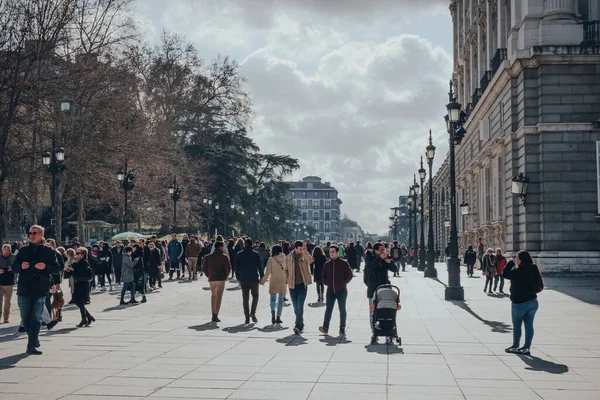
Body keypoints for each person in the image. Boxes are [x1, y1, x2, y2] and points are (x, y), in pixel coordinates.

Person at [11, 225, 60, 354]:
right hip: (24, 288)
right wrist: (21, 266)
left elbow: (57, 268)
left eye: (34, 233)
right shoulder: (23, 250)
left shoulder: (49, 251)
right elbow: (14, 267)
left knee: (36, 317)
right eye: (30, 233)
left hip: (40, 288)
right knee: (25, 317)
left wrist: (45, 266)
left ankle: (31, 345)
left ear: (41, 234)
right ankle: (34, 339)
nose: (31, 235)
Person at [503, 251, 543, 356]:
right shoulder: (535, 269)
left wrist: (510, 263)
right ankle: (526, 347)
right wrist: (531, 292)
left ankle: (515, 346)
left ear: (520, 259)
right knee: (529, 325)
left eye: (517, 258)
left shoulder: (518, 271)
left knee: (517, 326)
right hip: (533, 301)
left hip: (519, 302)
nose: (516, 259)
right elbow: (540, 286)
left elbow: (505, 274)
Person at [364, 242, 397, 343]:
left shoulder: (385, 257)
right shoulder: (369, 256)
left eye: (384, 249)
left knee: (387, 310)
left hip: (385, 287)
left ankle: (388, 332)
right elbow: (370, 266)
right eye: (381, 250)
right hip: (373, 288)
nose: (384, 252)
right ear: (376, 251)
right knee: (373, 312)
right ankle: (375, 332)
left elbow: (395, 269)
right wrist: (380, 258)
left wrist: (388, 261)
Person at [319, 245, 353, 336]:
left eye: (333, 252)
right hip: (330, 290)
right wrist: (327, 283)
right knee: (328, 309)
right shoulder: (327, 264)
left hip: (341, 290)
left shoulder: (344, 263)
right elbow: (323, 276)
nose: (331, 253)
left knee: (342, 309)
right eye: (330, 252)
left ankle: (342, 327)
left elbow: (349, 275)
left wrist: (343, 283)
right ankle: (325, 327)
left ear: (337, 252)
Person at [285, 240, 314, 335]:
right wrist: (287, 278)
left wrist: (305, 251)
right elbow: (285, 270)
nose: (301, 251)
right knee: (295, 307)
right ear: (295, 248)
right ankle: (301, 323)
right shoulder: (289, 257)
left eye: (302, 249)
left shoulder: (304, 255)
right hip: (292, 286)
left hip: (302, 285)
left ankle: (297, 325)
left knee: (300, 306)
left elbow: (310, 260)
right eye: (300, 249)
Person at [235, 238, 264, 324]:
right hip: (253, 279)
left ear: (244, 244)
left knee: (245, 298)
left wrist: (238, 277)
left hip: (243, 279)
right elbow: (260, 267)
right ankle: (252, 313)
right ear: (252, 245)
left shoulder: (239, 254)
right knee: (255, 296)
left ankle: (246, 317)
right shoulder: (256, 254)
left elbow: (236, 267)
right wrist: (262, 277)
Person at [202, 241, 231, 323]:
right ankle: (216, 315)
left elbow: (204, 268)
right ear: (221, 247)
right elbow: (228, 269)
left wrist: (209, 275)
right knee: (219, 296)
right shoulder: (224, 257)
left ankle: (212, 313)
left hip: (212, 278)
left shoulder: (208, 257)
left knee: (213, 296)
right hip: (221, 278)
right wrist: (225, 275)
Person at [66, 247, 95, 327]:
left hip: (82, 284)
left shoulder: (83, 263)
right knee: (77, 301)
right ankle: (88, 317)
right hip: (79, 283)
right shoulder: (78, 262)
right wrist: (70, 271)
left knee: (80, 301)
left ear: (82, 255)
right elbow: (74, 273)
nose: (76, 255)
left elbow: (79, 272)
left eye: (78, 253)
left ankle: (85, 318)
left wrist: (72, 268)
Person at [260, 245, 287, 325]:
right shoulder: (284, 258)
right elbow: (286, 269)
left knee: (273, 299)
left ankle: (272, 311)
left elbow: (268, 272)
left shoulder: (271, 259)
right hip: (282, 280)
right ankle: (278, 317)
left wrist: (262, 281)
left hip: (274, 280)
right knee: (281, 299)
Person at [0, 244, 16, 323]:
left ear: (10, 251)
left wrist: (13, 269)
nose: (6, 253)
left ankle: (6, 317)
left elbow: (18, 267)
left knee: (7, 301)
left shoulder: (14, 257)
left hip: (9, 283)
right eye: (4, 252)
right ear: (2, 250)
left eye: (8, 252)